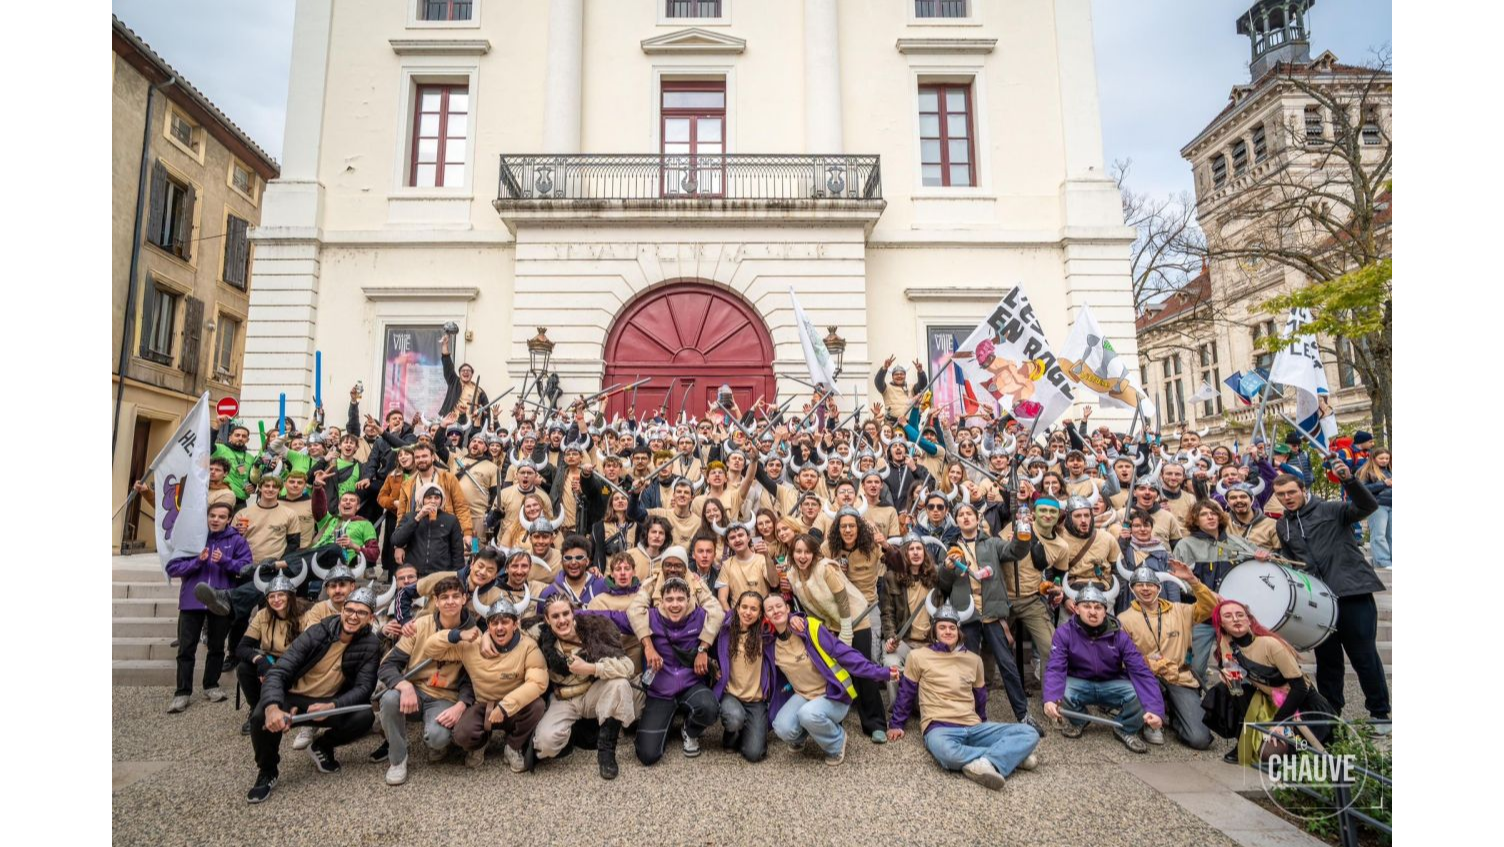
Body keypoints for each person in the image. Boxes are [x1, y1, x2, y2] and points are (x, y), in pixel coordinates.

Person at [1272, 465, 1390, 726]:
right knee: (1327, 661)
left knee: (1364, 656)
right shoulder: (1283, 525)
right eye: (1280, 494)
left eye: (1291, 492)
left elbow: (1367, 506)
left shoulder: (1331, 508)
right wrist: (1274, 560)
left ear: (1303, 490)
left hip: (1351, 591)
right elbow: (1293, 561)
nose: (1287, 498)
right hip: (1319, 603)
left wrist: (1349, 480)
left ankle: (1380, 713)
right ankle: (1330, 714)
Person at [246, 586, 380, 804]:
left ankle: (323, 745)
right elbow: (279, 671)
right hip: (293, 696)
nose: (353, 617)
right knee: (260, 717)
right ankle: (267, 771)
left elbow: (364, 688)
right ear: (342, 610)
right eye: (349, 610)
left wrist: (333, 705)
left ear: (371, 618)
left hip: (326, 702)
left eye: (361, 612)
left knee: (364, 716)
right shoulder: (318, 632)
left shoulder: (371, 644)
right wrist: (272, 706)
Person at [887, 602, 1042, 791]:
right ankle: (1006, 757)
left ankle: (986, 762)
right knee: (947, 754)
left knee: (1029, 733)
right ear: (934, 631)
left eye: (952, 627)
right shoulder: (918, 656)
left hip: (973, 726)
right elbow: (906, 692)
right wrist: (896, 724)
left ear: (959, 631)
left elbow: (980, 697)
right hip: (939, 727)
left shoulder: (974, 660)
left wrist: (983, 724)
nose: (948, 631)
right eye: (942, 627)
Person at [585, 578, 721, 765]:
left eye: (680, 599)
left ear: (689, 600)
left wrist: (703, 649)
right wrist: (573, 615)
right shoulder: (649, 617)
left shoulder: (699, 617)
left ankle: (689, 731)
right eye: (670, 599)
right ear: (661, 601)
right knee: (647, 755)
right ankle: (663, 720)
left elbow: (719, 612)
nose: (675, 604)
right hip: (660, 691)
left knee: (709, 708)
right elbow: (611, 616)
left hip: (691, 685)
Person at [937, 502, 1040, 733]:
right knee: (967, 666)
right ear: (957, 521)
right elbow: (943, 583)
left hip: (993, 615)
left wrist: (1023, 536)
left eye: (968, 514)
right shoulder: (951, 549)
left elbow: (1016, 551)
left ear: (977, 518)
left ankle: (1023, 714)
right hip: (967, 615)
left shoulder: (991, 543)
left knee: (1007, 664)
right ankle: (969, 714)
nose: (965, 518)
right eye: (961, 515)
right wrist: (945, 567)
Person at [764, 593, 898, 765]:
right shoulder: (769, 643)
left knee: (808, 714)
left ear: (787, 608)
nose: (775, 611)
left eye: (779, 606)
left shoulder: (809, 628)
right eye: (769, 609)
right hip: (803, 696)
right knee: (781, 727)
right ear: (765, 616)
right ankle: (803, 734)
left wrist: (882, 673)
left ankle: (837, 742)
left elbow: (845, 654)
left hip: (832, 695)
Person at [424, 595, 549, 772]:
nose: (499, 627)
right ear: (488, 626)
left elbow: (538, 682)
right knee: (462, 735)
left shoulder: (528, 646)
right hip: (483, 705)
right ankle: (481, 743)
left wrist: (505, 707)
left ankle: (513, 746)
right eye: (494, 623)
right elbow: (430, 649)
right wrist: (457, 634)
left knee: (537, 706)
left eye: (505, 622)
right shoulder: (471, 645)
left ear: (515, 624)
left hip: (514, 708)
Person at [1043, 581, 1165, 754]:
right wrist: (1050, 698)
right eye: (1086, 606)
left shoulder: (1119, 635)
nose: (1093, 612)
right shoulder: (1064, 633)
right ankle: (1079, 721)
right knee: (1060, 691)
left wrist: (1155, 709)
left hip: (1112, 683)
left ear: (1105, 610)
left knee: (1138, 692)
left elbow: (1141, 671)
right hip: (1080, 682)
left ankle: (1126, 728)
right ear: (1077, 609)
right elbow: (1055, 667)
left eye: (1098, 607)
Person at [373, 575, 473, 784]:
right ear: (436, 601)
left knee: (437, 739)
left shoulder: (473, 633)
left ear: (464, 599)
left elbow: (473, 678)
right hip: (415, 691)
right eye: (444, 597)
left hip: (444, 696)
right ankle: (398, 759)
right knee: (390, 698)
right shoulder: (419, 626)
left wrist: (462, 705)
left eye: (456, 596)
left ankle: (436, 742)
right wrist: (405, 685)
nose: (450, 601)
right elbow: (388, 665)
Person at [1212, 598, 1334, 765]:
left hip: (1300, 705)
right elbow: (1234, 682)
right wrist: (1226, 674)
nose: (1235, 619)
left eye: (1240, 614)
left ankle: (1298, 751)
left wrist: (1278, 723)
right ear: (1222, 625)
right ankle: (1243, 740)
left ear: (1249, 620)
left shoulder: (1270, 645)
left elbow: (1300, 688)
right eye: (1228, 616)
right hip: (1268, 700)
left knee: (1270, 755)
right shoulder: (1226, 643)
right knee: (1225, 690)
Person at [532, 596, 640, 779]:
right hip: (563, 698)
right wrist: (485, 637)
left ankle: (606, 750)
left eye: (566, 613)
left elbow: (628, 667)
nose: (562, 620)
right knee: (545, 745)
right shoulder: (540, 637)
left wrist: (591, 668)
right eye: (555, 616)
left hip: (592, 693)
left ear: (573, 613)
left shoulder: (594, 631)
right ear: (547, 620)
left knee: (619, 684)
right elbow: (511, 630)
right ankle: (576, 733)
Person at [1117, 561, 1218, 750]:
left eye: (1151, 585)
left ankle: (1175, 717)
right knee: (1143, 685)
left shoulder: (1180, 610)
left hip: (1179, 677)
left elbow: (1212, 607)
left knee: (1200, 739)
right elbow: (1121, 658)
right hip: (1147, 678)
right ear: (1132, 589)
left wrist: (1193, 581)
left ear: (1159, 587)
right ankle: (1152, 717)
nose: (1146, 589)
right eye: (1140, 585)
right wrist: (1148, 662)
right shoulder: (1124, 619)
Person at [164, 502, 252, 713]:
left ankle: (211, 685)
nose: (216, 520)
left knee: (216, 647)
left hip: (221, 600)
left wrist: (225, 561)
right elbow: (172, 567)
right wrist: (197, 562)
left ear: (229, 519)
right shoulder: (193, 539)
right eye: (212, 515)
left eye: (222, 517)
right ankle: (182, 692)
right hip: (192, 601)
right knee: (186, 648)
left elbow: (247, 568)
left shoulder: (237, 540)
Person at [234, 572, 309, 735]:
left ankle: (292, 706)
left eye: (281, 595)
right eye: (271, 596)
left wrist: (277, 668)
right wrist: (261, 661)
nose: (276, 600)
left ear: (290, 596)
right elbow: (242, 647)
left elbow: (309, 650)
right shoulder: (262, 615)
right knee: (243, 668)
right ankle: (256, 709)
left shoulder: (305, 615)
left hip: (298, 663)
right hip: (270, 659)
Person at [713, 591, 774, 763]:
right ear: (737, 608)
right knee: (734, 719)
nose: (748, 612)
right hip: (731, 694)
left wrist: (793, 618)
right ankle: (732, 734)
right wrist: (714, 668)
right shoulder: (725, 630)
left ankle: (746, 729)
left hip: (756, 700)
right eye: (744, 607)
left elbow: (782, 618)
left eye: (754, 609)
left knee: (754, 754)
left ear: (761, 613)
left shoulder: (766, 635)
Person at [392, 485, 465, 576]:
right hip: (415, 573)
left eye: (437, 498)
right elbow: (396, 540)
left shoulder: (451, 520)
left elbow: (457, 551)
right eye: (429, 498)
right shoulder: (410, 516)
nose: (433, 501)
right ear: (422, 500)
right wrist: (418, 517)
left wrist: (458, 575)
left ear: (442, 500)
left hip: (441, 573)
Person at [1357, 448, 1392, 569]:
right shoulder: (1367, 471)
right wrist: (1383, 483)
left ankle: (1392, 560)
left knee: (1392, 535)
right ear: (1374, 458)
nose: (1384, 461)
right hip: (1377, 506)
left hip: (1392, 505)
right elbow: (1362, 489)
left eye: (1387, 458)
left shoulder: (1390, 470)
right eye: (1381, 458)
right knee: (1379, 535)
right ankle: (1383, 562)